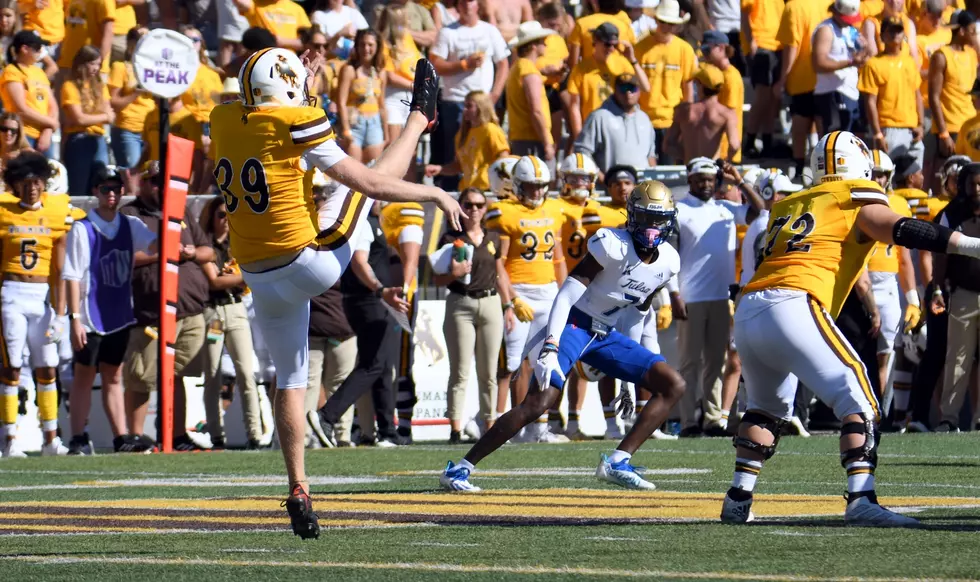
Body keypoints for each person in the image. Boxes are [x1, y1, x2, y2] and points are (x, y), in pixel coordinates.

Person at [210, 52, 460, 539]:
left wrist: (303, 80)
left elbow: (263, 107)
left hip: (258, 276)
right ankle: (418, 119)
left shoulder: (222, 118)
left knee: (291, 378)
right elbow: (368, 180)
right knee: (359, 193)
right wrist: (434, 194)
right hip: (309, 263)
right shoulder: (298, 118)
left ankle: (298, 486)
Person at [721, 130, 980, 527]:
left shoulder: (790, 202)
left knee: (765, 409)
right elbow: (904, 229)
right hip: (795, 302)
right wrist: (971, 245)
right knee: (860, 397)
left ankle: (738, 499)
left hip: (752, 306)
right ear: (858, 163)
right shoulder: (855, 194)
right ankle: (861, 498)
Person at [440, 180, 687, 492]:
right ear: (632, 215)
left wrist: (628, 380)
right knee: (539, 403)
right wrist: (550, 347)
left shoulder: (668, 260)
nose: (653, 228)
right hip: (574, 323)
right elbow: (566, 295)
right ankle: (460, 468)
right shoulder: (611, 243)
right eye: (647, 219)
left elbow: (635, 313)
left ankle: (618, 461)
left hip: (606, 333)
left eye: (659, 220)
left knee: (672, 384)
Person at [120, 162, 213, 453]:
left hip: (188, 310)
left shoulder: (181, 211)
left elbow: (207, 249)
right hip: (150, 312)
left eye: (165, 181)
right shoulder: (130, 215)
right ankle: (135, 437)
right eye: (155, 181)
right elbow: (121, 257)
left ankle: (175, 434)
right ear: (143, 183)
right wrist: (159, 254)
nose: (161, 187)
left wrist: (190, 253)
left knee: (179, 375)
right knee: (141, 376)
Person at [63, 164, 156, 455]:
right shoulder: (83, 227)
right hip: (90, 316)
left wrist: (170, 216)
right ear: (95, 192)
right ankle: (77, 437)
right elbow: (72, 275)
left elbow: (158, 246)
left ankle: (121, 438)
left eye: (116, 188)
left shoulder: (130, 225)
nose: (112, 194)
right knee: (84, 376)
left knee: (114, 376)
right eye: (106, 188)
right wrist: (74, 319)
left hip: (118, 314)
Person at [675, 157, 764, 437]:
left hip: (720, 295)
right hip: (689, 295)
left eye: (711, 179)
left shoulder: (726, 208)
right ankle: (689, 420)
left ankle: (713, 418)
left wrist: (738, 179)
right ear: (689, 180)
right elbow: (668, 254)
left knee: (716, 361)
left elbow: (760, 211)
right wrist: (673, 294)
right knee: (690, 361)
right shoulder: (678, 210)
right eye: (700, 179)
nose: (706, 184)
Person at [485, 155, 568, 444]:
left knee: (546, 363)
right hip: (519, 290)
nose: (537, 192)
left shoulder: (555, 209)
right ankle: (511, 425)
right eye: (531, 186)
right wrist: (510, 299)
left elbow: (558, 258)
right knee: (513, 364)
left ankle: (539, 427)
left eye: (540, 186)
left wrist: (565, 294)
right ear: (517, 185)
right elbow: (497, 262)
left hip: (548, 292)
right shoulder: (503, 212)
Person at [312, 200, 406, 448]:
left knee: (383, 365)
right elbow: (359, 261)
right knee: (373, 364)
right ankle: (327, 415)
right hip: (368, 301)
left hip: (371, 301)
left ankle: (387, 431)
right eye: (377, 195)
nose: (383, 201)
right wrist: (380, 290)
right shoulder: (363, 223)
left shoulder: (372, 223)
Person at [0, 152, 72, 458]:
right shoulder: (4, 212)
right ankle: (9, 440)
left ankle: (50, 439)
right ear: (16, 184)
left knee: (47, 368)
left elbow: (62, 269)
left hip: (42, 297)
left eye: (37, 182)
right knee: (12, 368)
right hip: (12, 294)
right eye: (26, 182)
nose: (32, 187)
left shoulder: (57, 213)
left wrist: (63, 313)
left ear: (45, 184)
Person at [434, 187, 510, 441]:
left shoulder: (494, 238)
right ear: (461, 207)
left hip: (490, 302)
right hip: (461, 302)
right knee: (460, 370)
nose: (474, 210)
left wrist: (508, 305)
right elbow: (437, 277)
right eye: (468, 204)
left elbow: (500, 273)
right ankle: (455, 428)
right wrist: (452, 274)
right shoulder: (450, 238)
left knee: (489, 371)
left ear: (485, 208)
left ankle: (489, 425)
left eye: (479, 205)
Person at [197, 197, 263, 450]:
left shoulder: (240, 244)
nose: (226, 220)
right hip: (213, 313)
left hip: (236, 310)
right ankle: (216, 435)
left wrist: (238, 278)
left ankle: (254, 434)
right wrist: (241, 276)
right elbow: (214, 282)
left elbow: (250, 275)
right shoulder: (206, 246)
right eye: (221, 215)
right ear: (211, 218)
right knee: (212, 374)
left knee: (247, 372)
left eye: (229, 215)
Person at [428, 0, 510, 192]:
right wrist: (464, 65)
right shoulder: (448, 32)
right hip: (455, 101)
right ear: (457, 7)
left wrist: (495, 94)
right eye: (462, 2)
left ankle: (484, 194)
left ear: (477, 5)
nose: (466, 5)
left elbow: (503, 64)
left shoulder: (489, 31)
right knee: (454, 155)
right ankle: (452, 200)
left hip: (484, 102)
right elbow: (436, 64)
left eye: (470, 1)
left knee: (488, 150)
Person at [866, 150, 920, 403]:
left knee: (885, 353)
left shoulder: (898, 204)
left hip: (887, 283)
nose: (877, 180)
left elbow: (905, 257)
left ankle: (880, 412)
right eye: (873, 174)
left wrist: (912, 299)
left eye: (882, 175)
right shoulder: (855, 199)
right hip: (859, 280)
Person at [933, 162, 980, 432]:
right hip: (962, 293)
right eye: (972, 183)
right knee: (958, 358)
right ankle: (949, 417)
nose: (976, 189)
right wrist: (937, 288)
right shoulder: (950, 214)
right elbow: (940, 254)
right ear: (961, 185)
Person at [566, 22, 649, 149]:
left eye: (614, 45)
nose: (611, 49)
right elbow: (574, 106)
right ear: (595, 42)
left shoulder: (622, 63)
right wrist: (579, 135)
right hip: (593, 128)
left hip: (619, 127)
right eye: (607, 44)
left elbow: (645, 87)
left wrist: (632, 59)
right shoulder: (581, 69)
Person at [635, 0, 697, 165]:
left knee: (669, 172)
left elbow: (688, 88)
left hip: (672, 121)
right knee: (646, 173)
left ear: (677, 25)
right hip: (643, 120)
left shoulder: (685, 50)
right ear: (656, 20)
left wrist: (686, 122)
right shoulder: (640, 47)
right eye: (663, 21)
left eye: (671, 23)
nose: (667, 26)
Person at [860, 16, 925, 167]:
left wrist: (921, 124)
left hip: (912, 128)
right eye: (891, 31)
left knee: (913, 178)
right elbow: (870, 101)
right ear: (882, 35)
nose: (895, 35)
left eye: (899, 31)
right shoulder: (873, 64)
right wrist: (877, 133)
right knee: (889, 178)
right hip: (889, 128)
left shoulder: (909, 62)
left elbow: (917, 95)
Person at [776, 0, 831, 178]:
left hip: (801, 77)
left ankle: (799, 170)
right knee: (823, 124)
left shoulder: (794, 7)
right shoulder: (829, 3)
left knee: (799, 122)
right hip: (826, 76)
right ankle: (824, 171)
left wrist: (782, 78)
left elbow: (792, 46)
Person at [927, 9, 978, 196]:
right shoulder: (941, 56)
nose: (975, 35)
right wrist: (943, 133)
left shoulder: (972, 54)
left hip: (969, 123)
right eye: (973, 31)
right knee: (950, 178)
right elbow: (933, 96)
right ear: (962, 31)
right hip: (950, 126)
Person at [425, 90, 509, 191]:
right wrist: (440, 169)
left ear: (481, 107)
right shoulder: (462, 134)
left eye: (469, 106)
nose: (464, 109)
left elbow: (504, 159)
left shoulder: (491, 130)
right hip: (467, 189)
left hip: (488, 189)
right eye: (464, 106)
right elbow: (459, 166)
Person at [574, 73, 656, 176]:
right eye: (623, 88)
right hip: (610, 188)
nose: (628, 93)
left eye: (632, 88)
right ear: (615, 90)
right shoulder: (599, 117)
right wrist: (603, 179)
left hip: (641, 188)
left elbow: (650, 156)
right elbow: (582, 153)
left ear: (639, 91)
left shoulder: (645, 119)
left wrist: (653, 181)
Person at [61, 46, 114, 197]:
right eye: (92, 64)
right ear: (81, 64)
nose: (95, 68)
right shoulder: (69, 86)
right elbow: (78, 118)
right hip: (79, 140)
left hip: (99, 140)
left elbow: (110, 113)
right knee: (79, 189)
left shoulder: (100, 86)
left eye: (98, 64)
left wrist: (92, 117)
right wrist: (102, 117)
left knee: (100, 187)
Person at [811, 0, 868, 134]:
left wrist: (863, 51)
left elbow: (855, 56)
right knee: (835, 142)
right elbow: (818, 63)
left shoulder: (850, 29)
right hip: (832, 93)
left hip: (851, 91)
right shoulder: (826, 30)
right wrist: (850, 62)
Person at [666, 65, 741, 162]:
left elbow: (668, 144)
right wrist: (727, 161)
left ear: (700, 86)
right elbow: (734, 145)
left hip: (691, 169)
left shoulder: (683, 110)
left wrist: (686, 157)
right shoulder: (726, 114)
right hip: (712, 169)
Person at [0, 31, 57, 156]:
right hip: (23, 135)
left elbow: (52, 105)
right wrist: (51, 123)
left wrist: (47, 131)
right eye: (37, 48)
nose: (41, 52)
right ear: (24, 49)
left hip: (43, 136)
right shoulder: (12, 72)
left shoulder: (39, 72)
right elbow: (21, 109)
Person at [742, 0, 785, 158]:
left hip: (779, 45)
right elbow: (745, 13)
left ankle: (768, 143)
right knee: (762, 96)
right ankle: (750, 141)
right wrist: (750, 39)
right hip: (762, 45)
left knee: (773, 98)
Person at [506, 21, 555, 162]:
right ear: (533, 45)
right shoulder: (528, 70)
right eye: (542, 41)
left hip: (520, 136)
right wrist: (547, 143)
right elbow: (536, 110)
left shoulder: (516, 67)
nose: (545, 45)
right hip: (532, 139)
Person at [337, 30, 388, 165]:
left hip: (374, 123)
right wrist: (345, 129)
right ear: (357, 46)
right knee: (353, 171)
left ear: (377, 47)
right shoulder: (349, 69)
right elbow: (341, 102)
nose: (366, 49)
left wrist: (386, 134)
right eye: (362, 44)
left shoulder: (380, 72)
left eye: (370, 45)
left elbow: (381, 103)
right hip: (355, 123)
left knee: (373, 169)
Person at [108, 27, 154, 171]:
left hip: (151, 129)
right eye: (141, 40)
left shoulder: (156, 69)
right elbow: (113, 103)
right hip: (128, 130)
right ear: (130, 44)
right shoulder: (119, 67)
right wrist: (135, 93)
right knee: (132, 177)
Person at [378, 5, 422, 145]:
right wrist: (414, 86)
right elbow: (390, 76)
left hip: (412, 95)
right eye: (403, 19)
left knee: (411, 145)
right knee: (394, 144)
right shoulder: (384, 44)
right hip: (393, 97)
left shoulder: (406, 38)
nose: (407, 22)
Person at [700, 30, 744, 163]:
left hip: (726, 151)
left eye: (707, 49)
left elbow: (728, 113)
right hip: (715, 149)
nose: (704, 53)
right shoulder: (714, 73)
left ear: (721, 48)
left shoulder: (730, 76)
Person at [567, 0, 636, 66]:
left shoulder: (582, 23)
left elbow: (573, 63)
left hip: (590, 75)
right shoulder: (624, 24)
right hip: (619, 75)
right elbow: (633, 53)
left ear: (596, 2)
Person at [233, 0, 312, 51]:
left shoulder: (297, 9)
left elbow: (307, 43)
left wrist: (278, 41)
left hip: (289, 61)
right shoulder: (255, 4)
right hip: (263, 58)